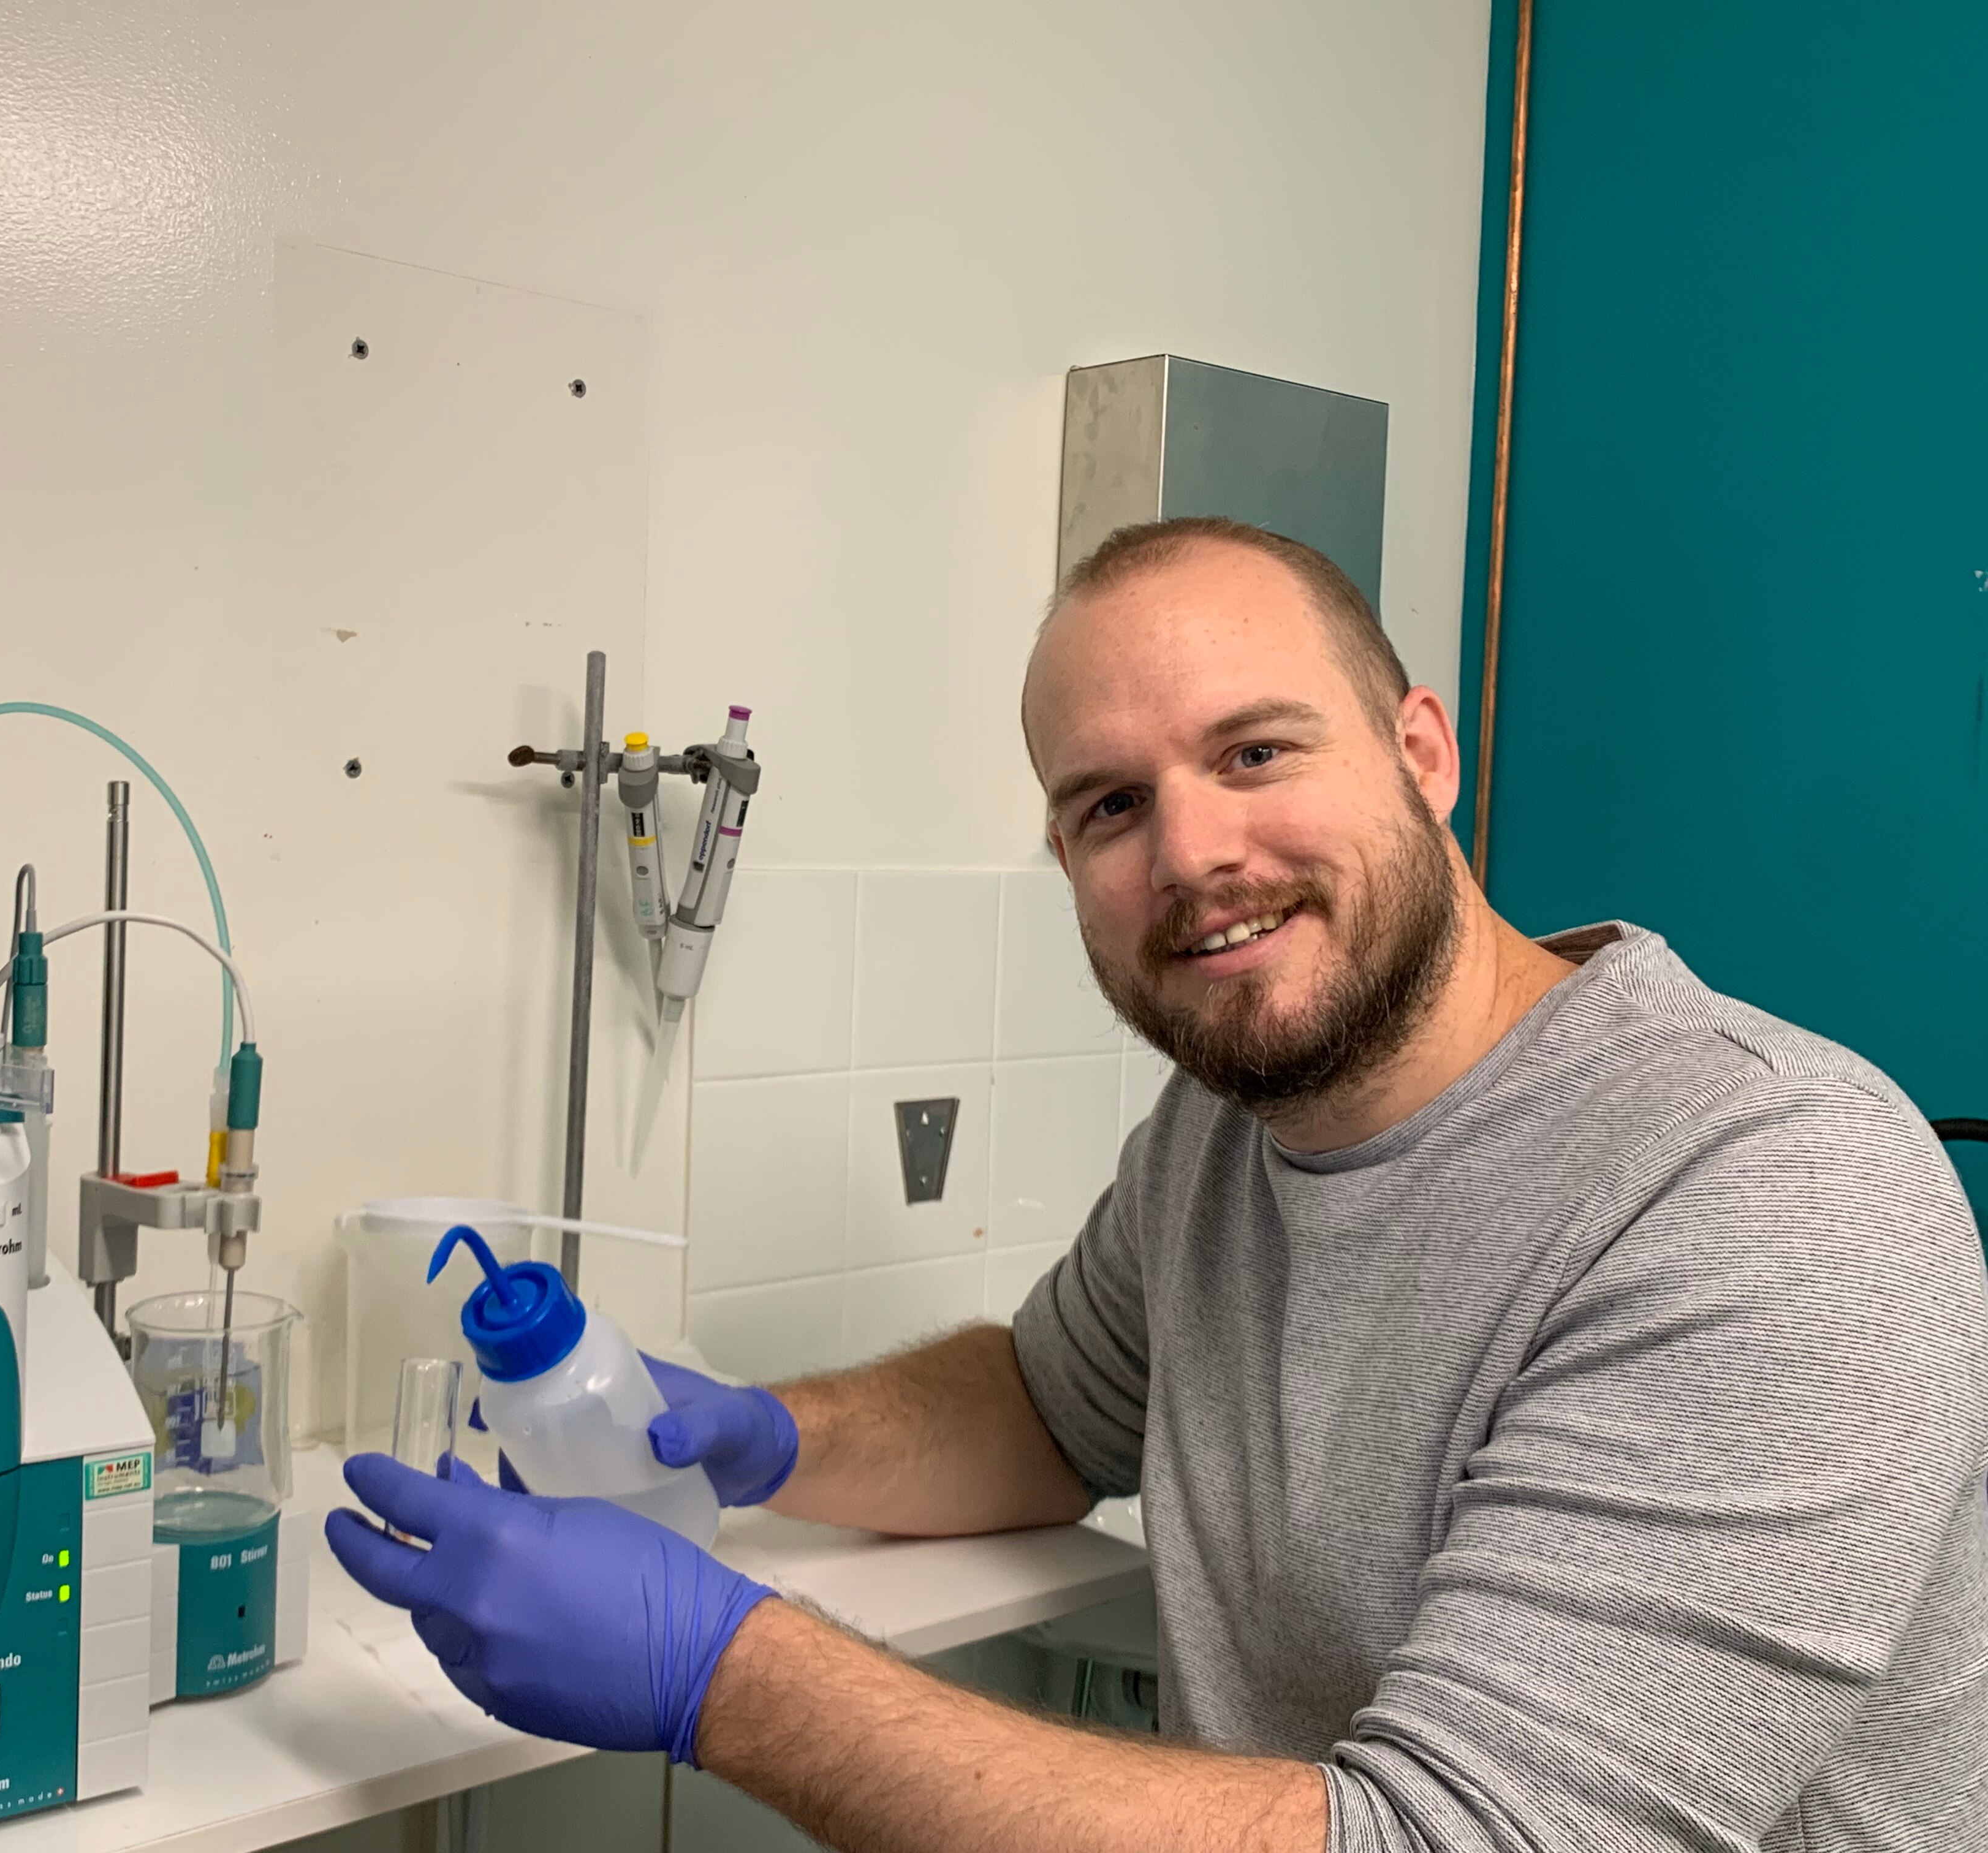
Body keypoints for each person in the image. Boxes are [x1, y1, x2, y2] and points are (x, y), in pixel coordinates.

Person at [327, 517, 1988, 1852]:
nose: (1190, 857)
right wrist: (754, 1437)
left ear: (1423, 750)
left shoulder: (1763, 1190)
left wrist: (727, 1673)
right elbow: (1052, 1416)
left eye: (1256, 753)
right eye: (1110, 805)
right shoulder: (1227, 1131)